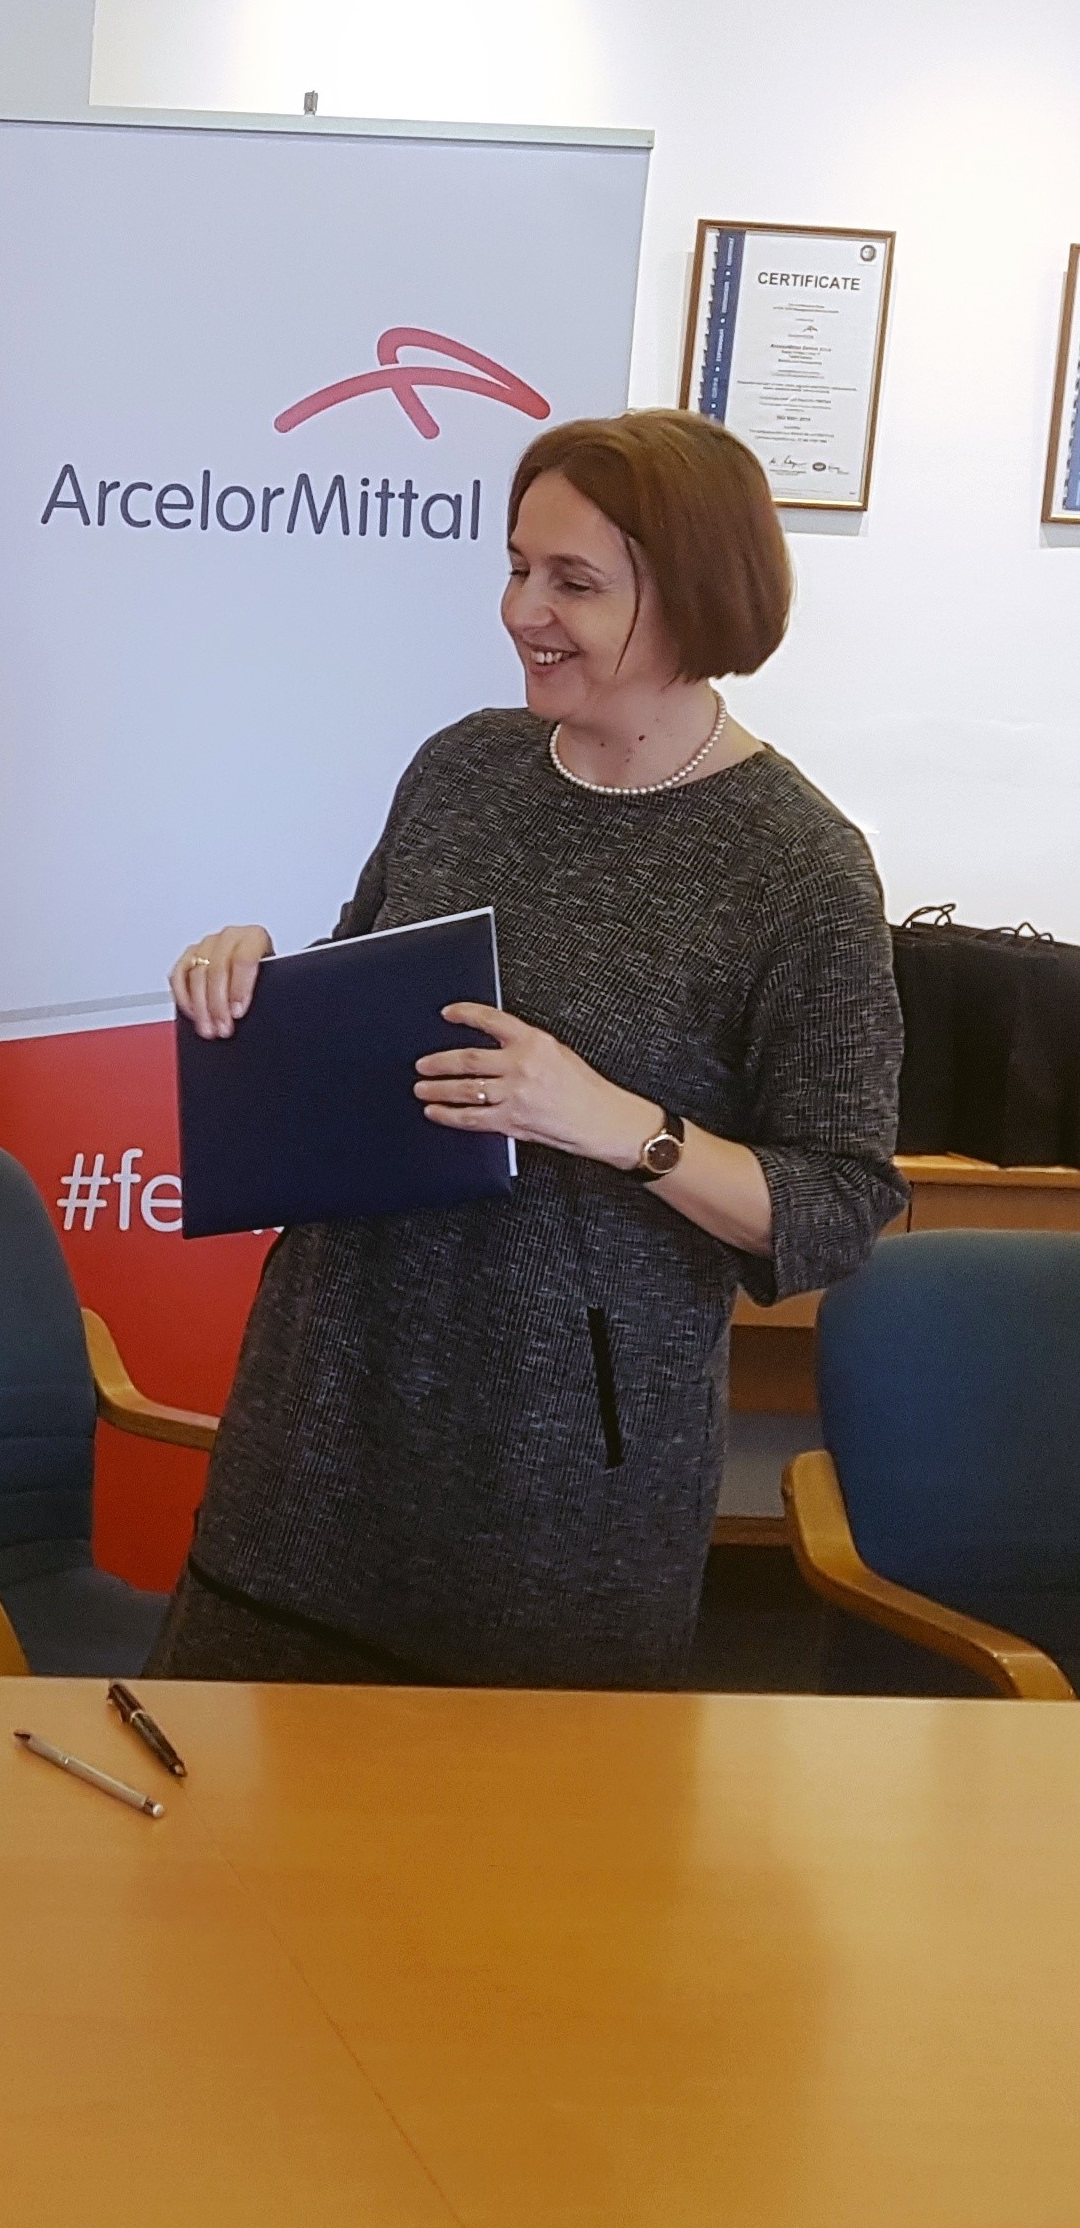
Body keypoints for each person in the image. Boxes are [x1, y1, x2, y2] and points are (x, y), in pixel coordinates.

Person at [153, 409, 905, 1689]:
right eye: (516, 567)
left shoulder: (801, 866)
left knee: (520, 1820)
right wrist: (260, 984)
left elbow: (838, 1206)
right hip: (321, 1429)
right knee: (226, 1796)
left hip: (555, 1496)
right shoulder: (465, 767)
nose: (522, 611)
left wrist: (623, 1124)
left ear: (697, 593)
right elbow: (370, 1017)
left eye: (574, 581)